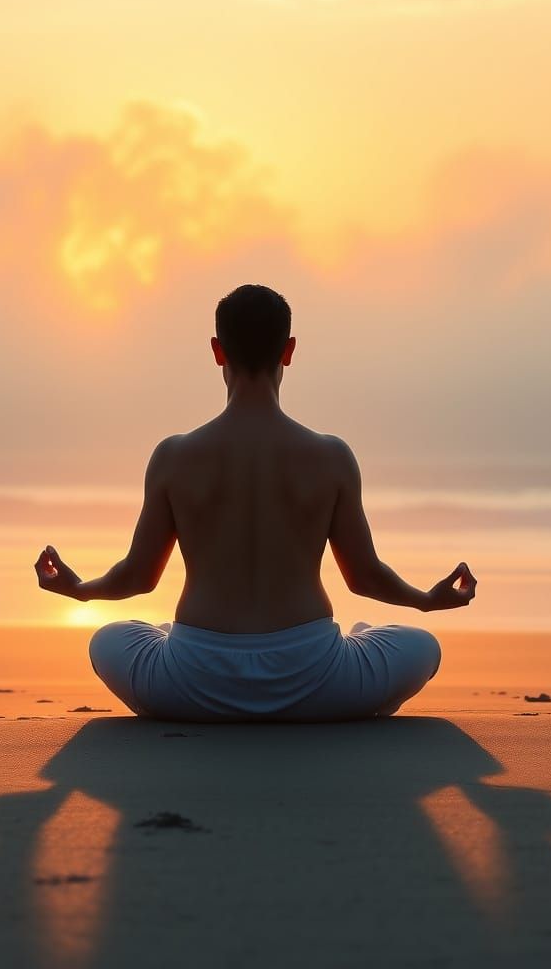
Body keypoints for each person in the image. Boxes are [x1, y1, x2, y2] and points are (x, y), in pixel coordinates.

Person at [34, 283, 477, 721]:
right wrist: (424, 600)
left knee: (107, 641)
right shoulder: (330, 456)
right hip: (314, 677)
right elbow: (362, 578)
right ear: (288, 350)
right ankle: (348, 664)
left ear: (216, 350)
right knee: (423, 647)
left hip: (193, 680)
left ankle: (183, 654)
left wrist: (80, 590)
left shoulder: (174, 456)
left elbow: (139, 578)